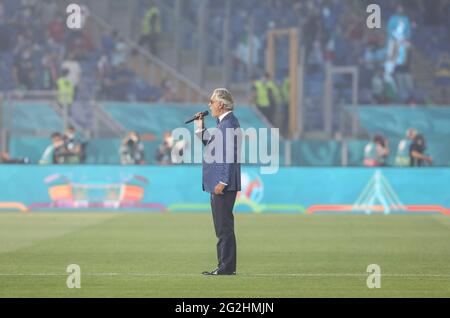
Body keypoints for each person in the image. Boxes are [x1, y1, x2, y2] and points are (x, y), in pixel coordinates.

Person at [194, 88, 241, 276]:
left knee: (224, 228)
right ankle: (225, 266)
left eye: (211, 102)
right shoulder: (224, 123)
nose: (209, 105)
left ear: (221, 104)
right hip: (220, 183)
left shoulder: (228, 124)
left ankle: (226, 267)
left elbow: (229, 156)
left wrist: (223, 180)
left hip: (223, 184)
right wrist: (200, 126)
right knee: (222, 227)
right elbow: (211, 145)